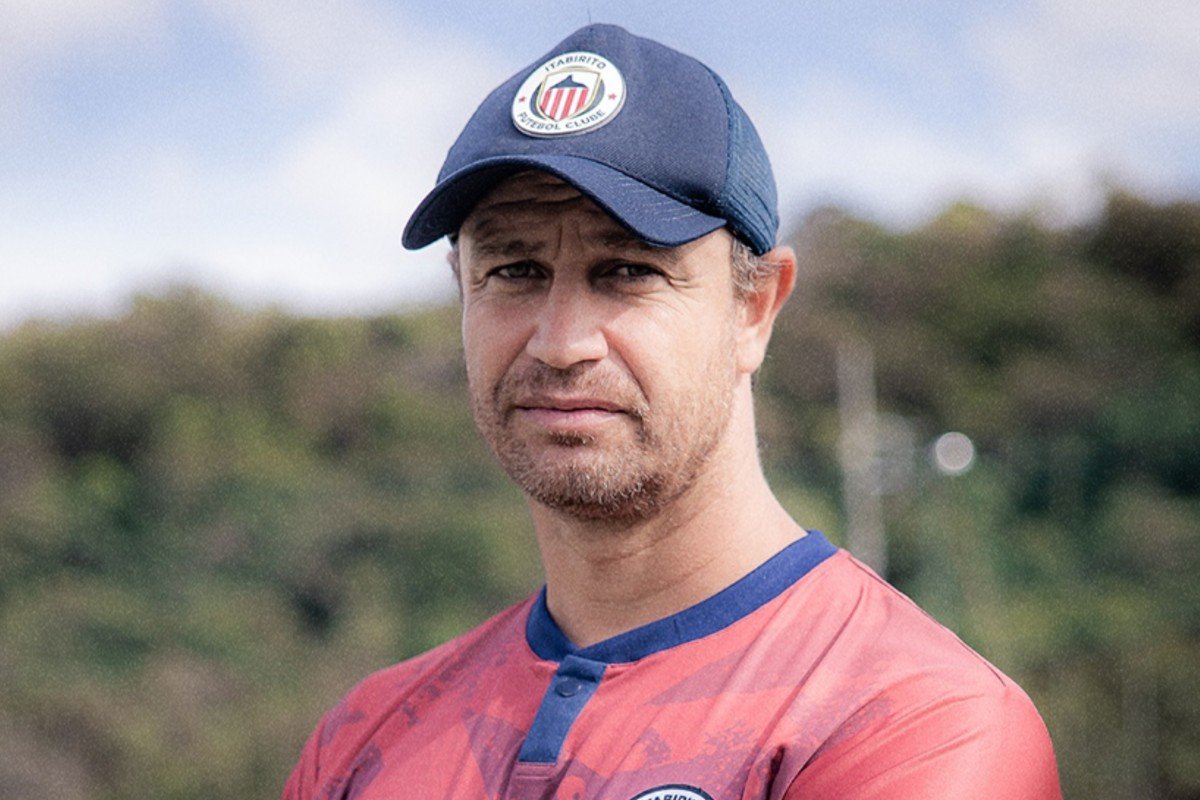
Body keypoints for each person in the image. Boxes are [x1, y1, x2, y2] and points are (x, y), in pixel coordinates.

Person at [282, 23, 1062, 800]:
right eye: (515, 270)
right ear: (463, 291)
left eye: (626, 270)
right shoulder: (364, 740)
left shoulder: (914, 722)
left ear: (754, 308)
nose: (561, 343)